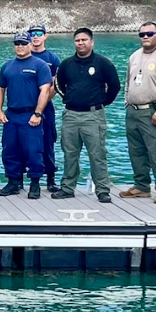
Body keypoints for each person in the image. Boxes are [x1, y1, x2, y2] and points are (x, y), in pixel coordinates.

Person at [53, 27, 121, 203]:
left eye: (84, 40)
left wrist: (102, 103)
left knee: (97, 155)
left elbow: (115, 86)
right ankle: (67, 188)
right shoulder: (67, 64)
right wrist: (69, 99)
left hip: (93, 116)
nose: (80, 43)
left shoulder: (103, 63)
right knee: (70, 154)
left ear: (92, 42)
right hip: (71, 116)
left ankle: (103, 190)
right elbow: (59, 85)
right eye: (77, 40)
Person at [121, 22, 156, 204]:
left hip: (153, 111)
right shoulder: (134, 56)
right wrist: (127, 102)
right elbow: (128, 83)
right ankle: (141, 186)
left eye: (149, 33)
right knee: (136, 151)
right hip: (133, 112)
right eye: (142, 34)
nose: (145, 37)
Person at [0, 32, 53, 199]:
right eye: (17, 43)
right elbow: (0, 89)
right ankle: (13, 182)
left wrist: (38, 113)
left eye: (23, 43)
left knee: (33, 151)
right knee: (9, 150)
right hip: (11, 115)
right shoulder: (7, 66)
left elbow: (45, 90)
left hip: (30, 115)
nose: (20, 46)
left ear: (29, 45)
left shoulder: (40, 65)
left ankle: (35, 184)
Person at [28, 23, 62, 193]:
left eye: (39, 33)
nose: (35, 36)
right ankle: (19, 180)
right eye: (32, 33)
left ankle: (50, 179)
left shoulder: (52, 58)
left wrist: (40, 105)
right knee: (24, 144)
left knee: (48, 142)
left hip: (46, 108)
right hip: (25, 107)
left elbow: (56, 84)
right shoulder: (23, 56)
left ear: (45, 36)